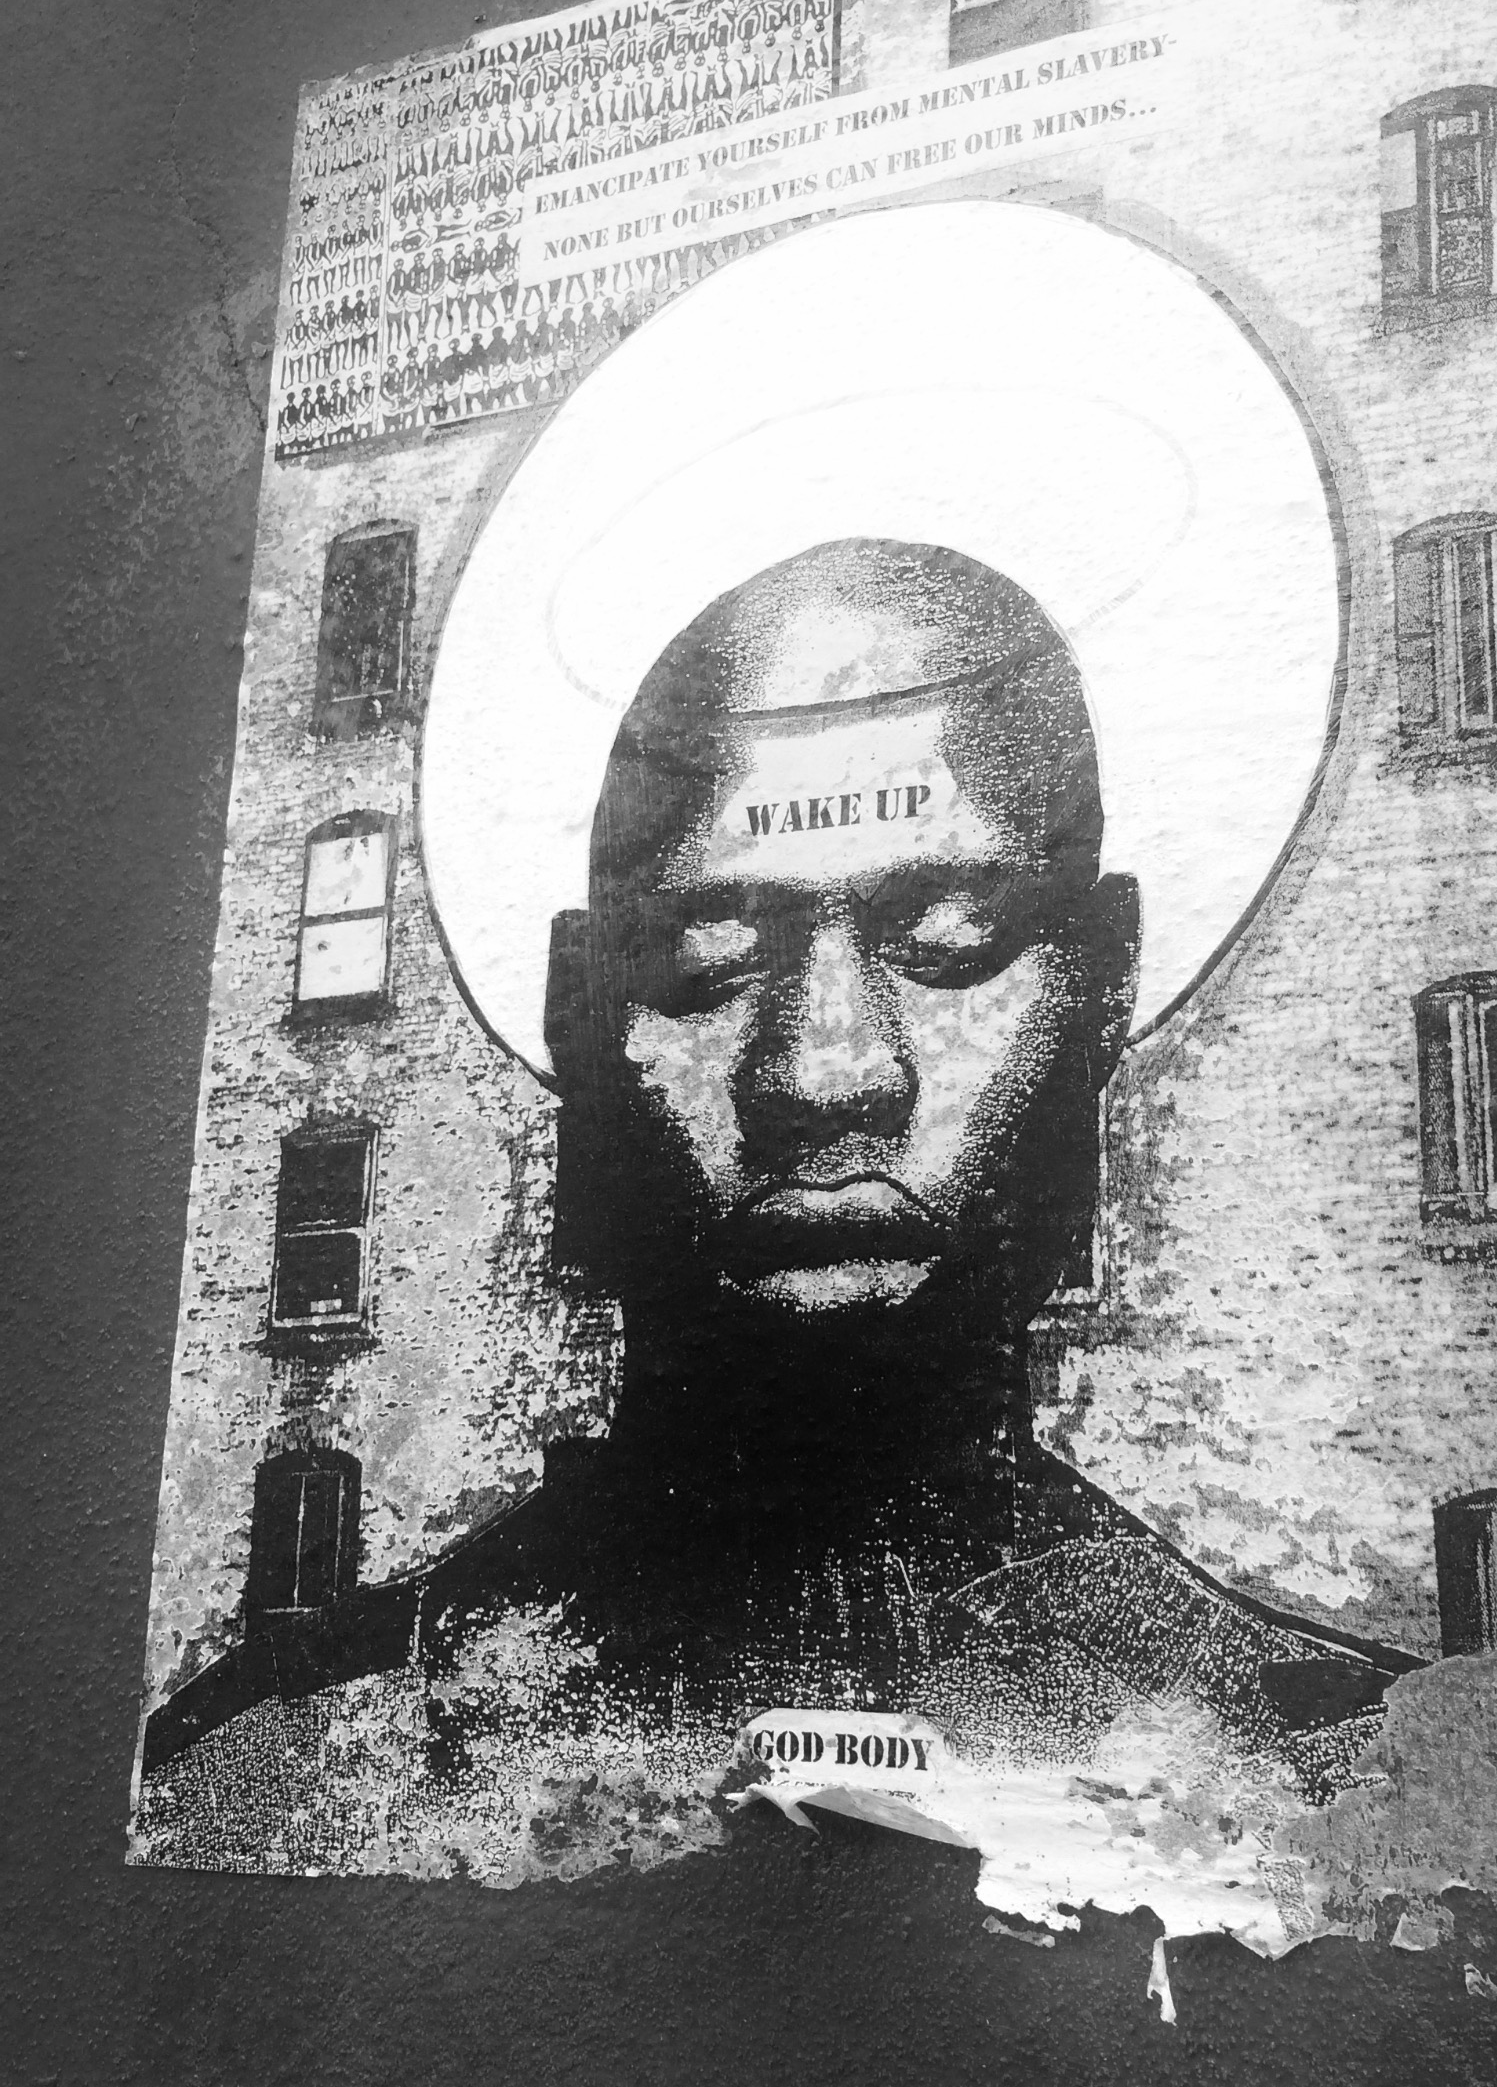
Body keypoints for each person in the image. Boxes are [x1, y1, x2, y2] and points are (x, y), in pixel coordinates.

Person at [136, 537, 1414, 1873]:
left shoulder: (1335, 1785)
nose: (821, 1072)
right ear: (578, 1012)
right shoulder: (284, 1775)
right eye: (710, 955)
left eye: (950, 937)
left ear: (1102, 983)